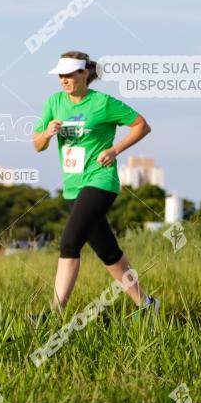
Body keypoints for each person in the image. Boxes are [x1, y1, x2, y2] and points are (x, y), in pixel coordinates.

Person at [33, 51, 159, 319]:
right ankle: (146, 305)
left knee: (69, 243)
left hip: (100, 181)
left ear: (85, 73)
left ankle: (54, 315)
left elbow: (141, 126)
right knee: (107, 250)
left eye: (69, 74)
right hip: (72, 186)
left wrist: (115, 150)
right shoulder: (54, 102)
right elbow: (37, 145)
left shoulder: (102, 103)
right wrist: (47, 133)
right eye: (60, 75)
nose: (64, 79)